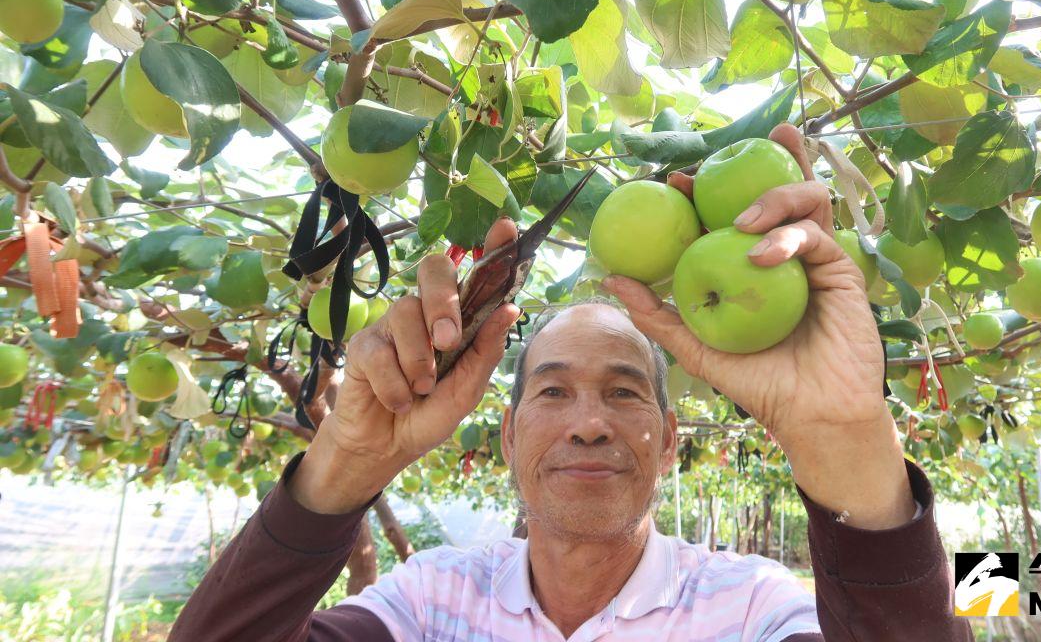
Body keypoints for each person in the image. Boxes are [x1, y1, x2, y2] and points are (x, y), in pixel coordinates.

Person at [170, 124, 973, 641]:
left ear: (670, 443)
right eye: (552, 391)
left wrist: (846, 443)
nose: (589, 422)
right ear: (507, 433)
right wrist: (343, 466)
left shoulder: (751, 609)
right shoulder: (426, 603)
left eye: (624, 392)